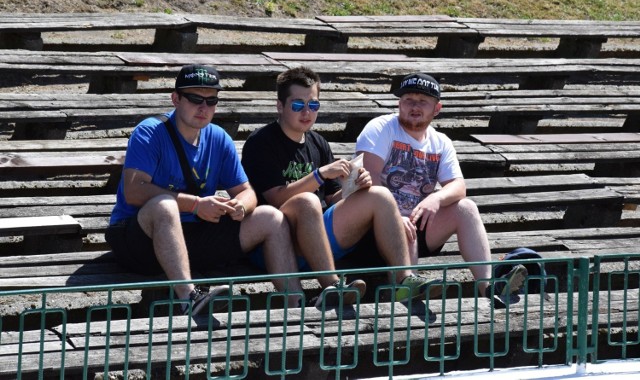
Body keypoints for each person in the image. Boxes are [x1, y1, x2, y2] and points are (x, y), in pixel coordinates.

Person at [105, 64, 304, 316]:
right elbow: (133, 192)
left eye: (211, 101)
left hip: (191, 237)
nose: (203, 107)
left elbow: (248, 192)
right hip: (138, 239)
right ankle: (190, 299)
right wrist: (196, 205)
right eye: (195, 99)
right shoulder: (149, 132)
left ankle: (297, 304)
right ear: (175, 99)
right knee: (165, 206)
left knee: (271, 217)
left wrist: (239, 206)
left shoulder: (219, 138)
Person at [241, 66, 434, 307]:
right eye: (298, 105)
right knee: (307, 200)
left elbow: (333, 198)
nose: (307, 113)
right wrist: (318, 175)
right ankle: (332, 286)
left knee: (380, 195)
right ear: (280, 106)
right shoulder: (260, 142)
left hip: (318, 237)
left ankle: (403, 280)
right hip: (279, 245)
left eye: (313, 105)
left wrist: (355, 188)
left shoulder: (317, 142)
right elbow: (277, 200)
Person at [355, 73, 527, 308]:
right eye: (408, 100)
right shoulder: (381, 128)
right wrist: (395, 215)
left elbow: (458, 187)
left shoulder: (441, 141)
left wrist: (436, 198)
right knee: (405, 226)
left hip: (418, 223)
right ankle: (405, 291)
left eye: (422, 101)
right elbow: (369, 178)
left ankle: (488, 287)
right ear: (399, 104)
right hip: (373, 227)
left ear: (437, 108)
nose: (414, 106)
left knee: (466, 208)